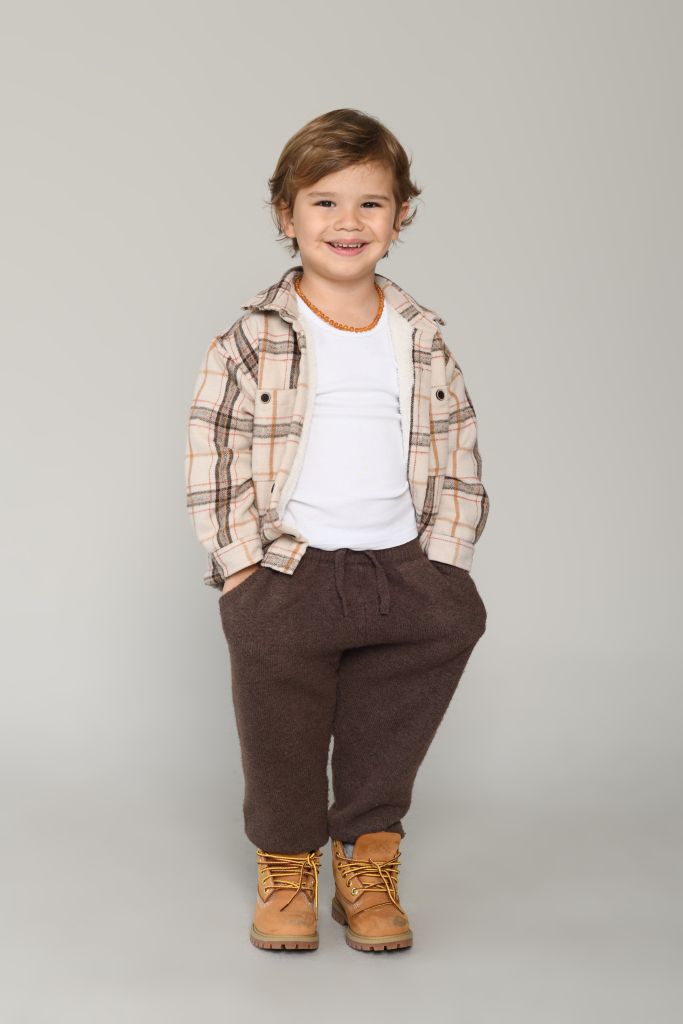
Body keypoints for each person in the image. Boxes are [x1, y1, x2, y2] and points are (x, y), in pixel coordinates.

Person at [185, 108, 489, 953]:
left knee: (387, 722)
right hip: (289, 569)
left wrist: (447, 561)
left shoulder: (420, 336)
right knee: (281, 733)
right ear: (285, 215)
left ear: (400, 216)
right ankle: (287, 869)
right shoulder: (250, 338)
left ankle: (366, 861)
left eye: (370, 203)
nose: (346, 222)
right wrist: (240, 569)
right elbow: (211, 450)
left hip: (402, 565)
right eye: (323, 202)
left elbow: (457, 441)